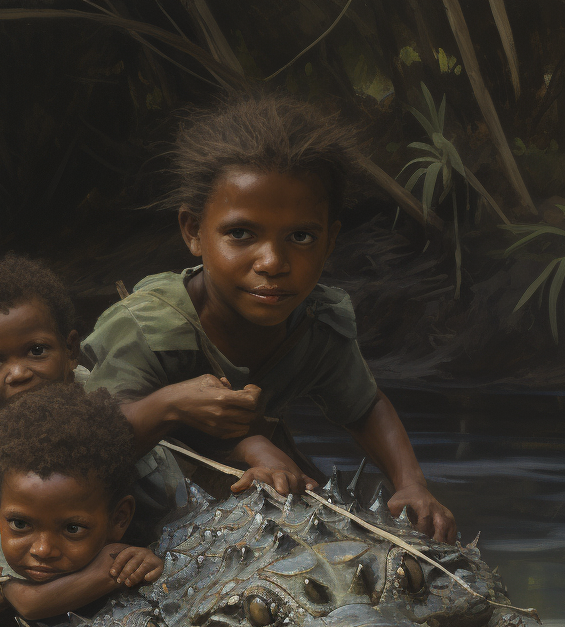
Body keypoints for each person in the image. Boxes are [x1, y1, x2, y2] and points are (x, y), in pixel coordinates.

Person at [82, 93, 456, 542]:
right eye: (241, 234)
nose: (273, 262)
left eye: (300, 237)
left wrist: (411, 484)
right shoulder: (145, 327)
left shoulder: (317, 323)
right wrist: (173, 405)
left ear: (330, 241)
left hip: (252, 479)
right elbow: (92, 447)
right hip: (122, 495)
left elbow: (364, 407)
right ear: (193, 232)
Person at [0, 256, 180, 627]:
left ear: (71, 351)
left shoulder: (114, 403)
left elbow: (174, 505)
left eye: (36, 351)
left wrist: (150, 555)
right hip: (33, 559)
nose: (19, 373)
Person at [0, 383, 162, 627]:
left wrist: (142, 564)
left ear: (118, 518)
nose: (43, 550)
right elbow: (30, 604)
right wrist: (110, 571)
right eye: (21, 524)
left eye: (72, 529)